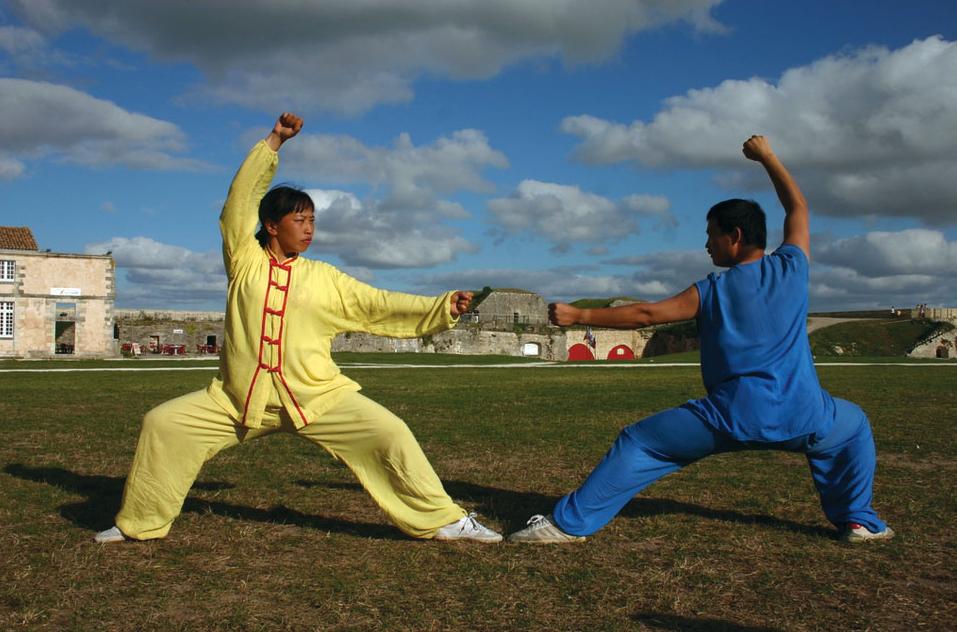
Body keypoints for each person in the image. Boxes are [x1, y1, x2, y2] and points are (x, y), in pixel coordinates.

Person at [96, 113, 501, 544]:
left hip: (315, 397)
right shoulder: (243, 260)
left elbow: (378, 304)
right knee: (163, 424)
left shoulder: (324, 278)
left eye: (312, 221)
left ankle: (443, 519)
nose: (308, 229)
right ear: (272, 225)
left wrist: (442, 307)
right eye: (299, 221)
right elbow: (238, 203)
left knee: (391, 433)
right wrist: (273, 142)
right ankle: (138, 523)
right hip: (236, 401)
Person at [509, 135, 893, 545]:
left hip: (731, 417)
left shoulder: (712, 290)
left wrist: (580, 315)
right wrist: (767, 157)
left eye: (712, 234)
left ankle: (566, 526)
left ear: (736, 236)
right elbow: (797, 207)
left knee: (639, 441)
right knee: (852, 428)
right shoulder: (793, 268)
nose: (707, 243)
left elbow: (647, 315)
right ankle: (859, 521)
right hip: (806, 414)